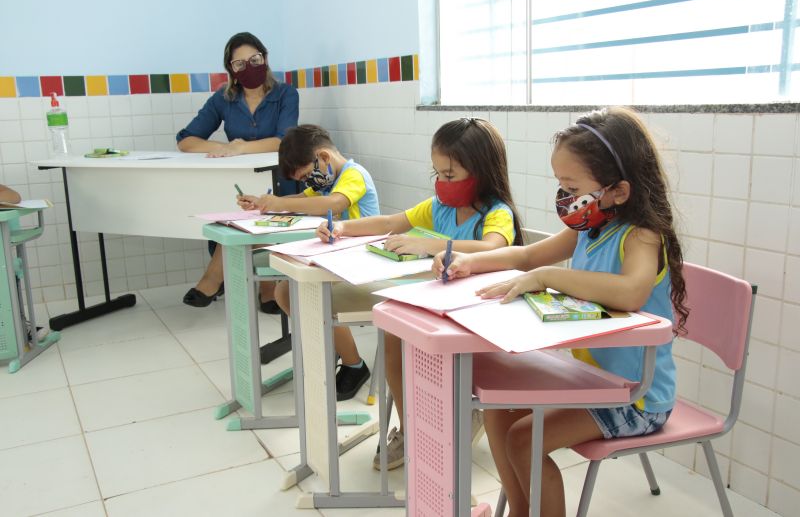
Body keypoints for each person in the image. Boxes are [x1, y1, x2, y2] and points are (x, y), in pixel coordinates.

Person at [434, 107, 688, 517]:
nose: (565, 196)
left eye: (571, 185)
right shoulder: (589, 227)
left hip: (637, 397)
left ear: (619, 191)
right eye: (560, 184)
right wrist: (471, 261)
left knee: (523, 440)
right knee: (500, 415)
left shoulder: (641, 235)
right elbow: (530, 255)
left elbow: (631, 293)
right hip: (595, 380)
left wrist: (551, 277)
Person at [316, 117, 523, 468]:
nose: (442, 183)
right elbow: (389, 223)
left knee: (420, 350)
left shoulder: (497, 213)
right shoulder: (439, 206)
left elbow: (491, 247)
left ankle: (457, 416)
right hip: (437, 306)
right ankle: (412, 426)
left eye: (450, 175)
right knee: (395, 335)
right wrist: (343, 226)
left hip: (477, 314)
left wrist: (428, 244)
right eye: (437, 174)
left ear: (483, 172)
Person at [238, 124, 380, 379]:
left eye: (305, 176)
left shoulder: (353, 175)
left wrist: (280, 203)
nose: (306, 183)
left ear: (323, 157)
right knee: (285, 290)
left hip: (361, 260)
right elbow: (302, 200)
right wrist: (264, 203)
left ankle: (354, 365)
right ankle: (336, 349)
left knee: (306, 293)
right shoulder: (326, 178)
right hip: (337, 257)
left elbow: (335, 202)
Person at [177, 31, 299, 311]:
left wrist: (240, 147)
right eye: (239, 63)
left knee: (257, 210)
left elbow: (284, 139)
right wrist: (222, 146)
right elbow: (186, 139)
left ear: (265, 59)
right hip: (240, 183)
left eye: (254, 59)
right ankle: (231, 280)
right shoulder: (223, 98)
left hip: (280, 179)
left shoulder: (286, 94)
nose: (248, 67)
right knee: (237, 208)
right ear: (231, 70)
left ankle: (240, 282)